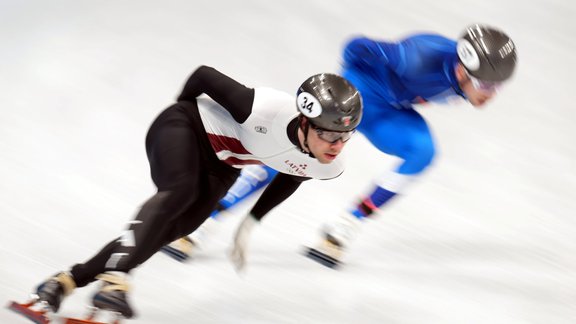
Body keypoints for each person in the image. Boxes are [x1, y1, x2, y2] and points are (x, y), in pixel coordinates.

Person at [26, 65, 362, 319]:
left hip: (224, 163)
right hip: (185, 126)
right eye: (331, 135)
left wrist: (250, 223)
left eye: (345, 137)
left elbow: (291, 175)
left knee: (176, 228)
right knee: (180, 191)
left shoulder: (328, 162)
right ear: (304, 122)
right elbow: (202, 76)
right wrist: (181, 111)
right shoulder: (262, 108)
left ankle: (64, 282)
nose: (338, 145)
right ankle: (116, 278)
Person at [305, 23, 518, 267]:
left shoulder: (463, 73)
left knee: (422, 152)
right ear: (462, 71)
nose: (491, 94)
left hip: (389, 112)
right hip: (358, 96)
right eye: (486, 86)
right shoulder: (419, 57)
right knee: (295, 155)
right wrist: (340, 92)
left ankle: (347, 224)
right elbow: (355, 46)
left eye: (498, 86)